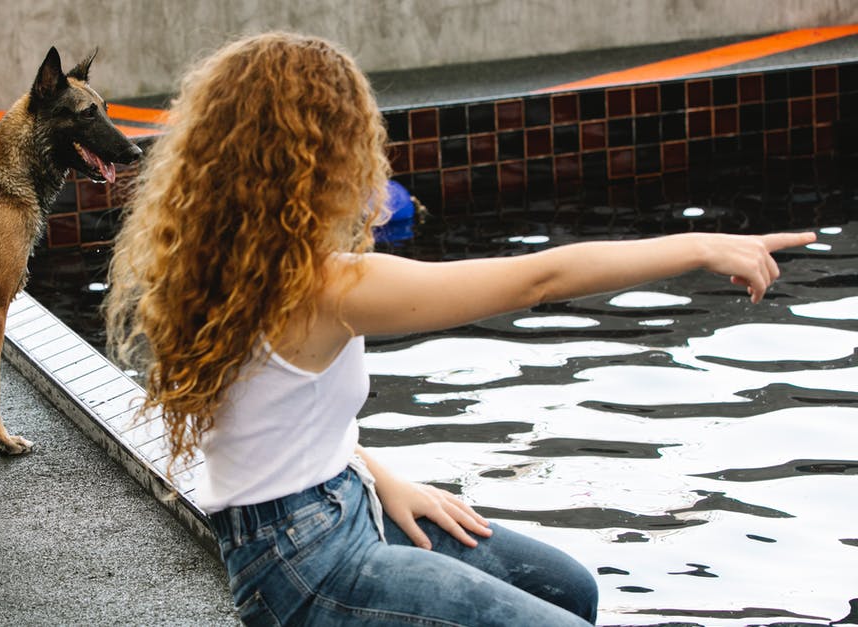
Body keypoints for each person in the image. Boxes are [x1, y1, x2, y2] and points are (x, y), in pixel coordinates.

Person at [104, 32, 815, 626]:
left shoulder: (226, 263)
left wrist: (379, 477)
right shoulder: (328, 286)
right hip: (306, 566)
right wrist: (700, 245)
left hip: (325, 514)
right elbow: (540, 279)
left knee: (570, 588)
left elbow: (275, 428)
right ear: (324, 155)